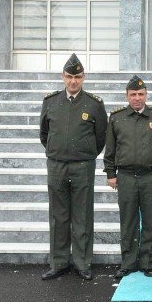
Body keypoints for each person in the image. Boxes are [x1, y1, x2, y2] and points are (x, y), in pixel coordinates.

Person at [39, 53, 108, 281]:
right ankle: (58, 262)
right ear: (63, 77)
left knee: (82, 215)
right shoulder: (50, 102)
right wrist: (57, 152)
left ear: (84, 77)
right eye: (69, 76)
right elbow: (44, 134)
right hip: (57, 166)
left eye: (77, 77)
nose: (73, 81)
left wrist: (84, 154)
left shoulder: (94, 104)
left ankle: (82, 262)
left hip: (82, 167)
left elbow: (101, 138)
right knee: (58, 216)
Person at [103, 75, 152, 279]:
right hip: (126, 177)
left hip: (151, 177)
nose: (137, 98)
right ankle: (128, 262)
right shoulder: (117, 117)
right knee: (128, 221)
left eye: (141, 94)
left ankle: (148, 263)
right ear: (127, 96)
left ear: (146, 95)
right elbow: (110, 149)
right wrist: (111, 173)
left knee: (149, 221)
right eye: (133, 94)